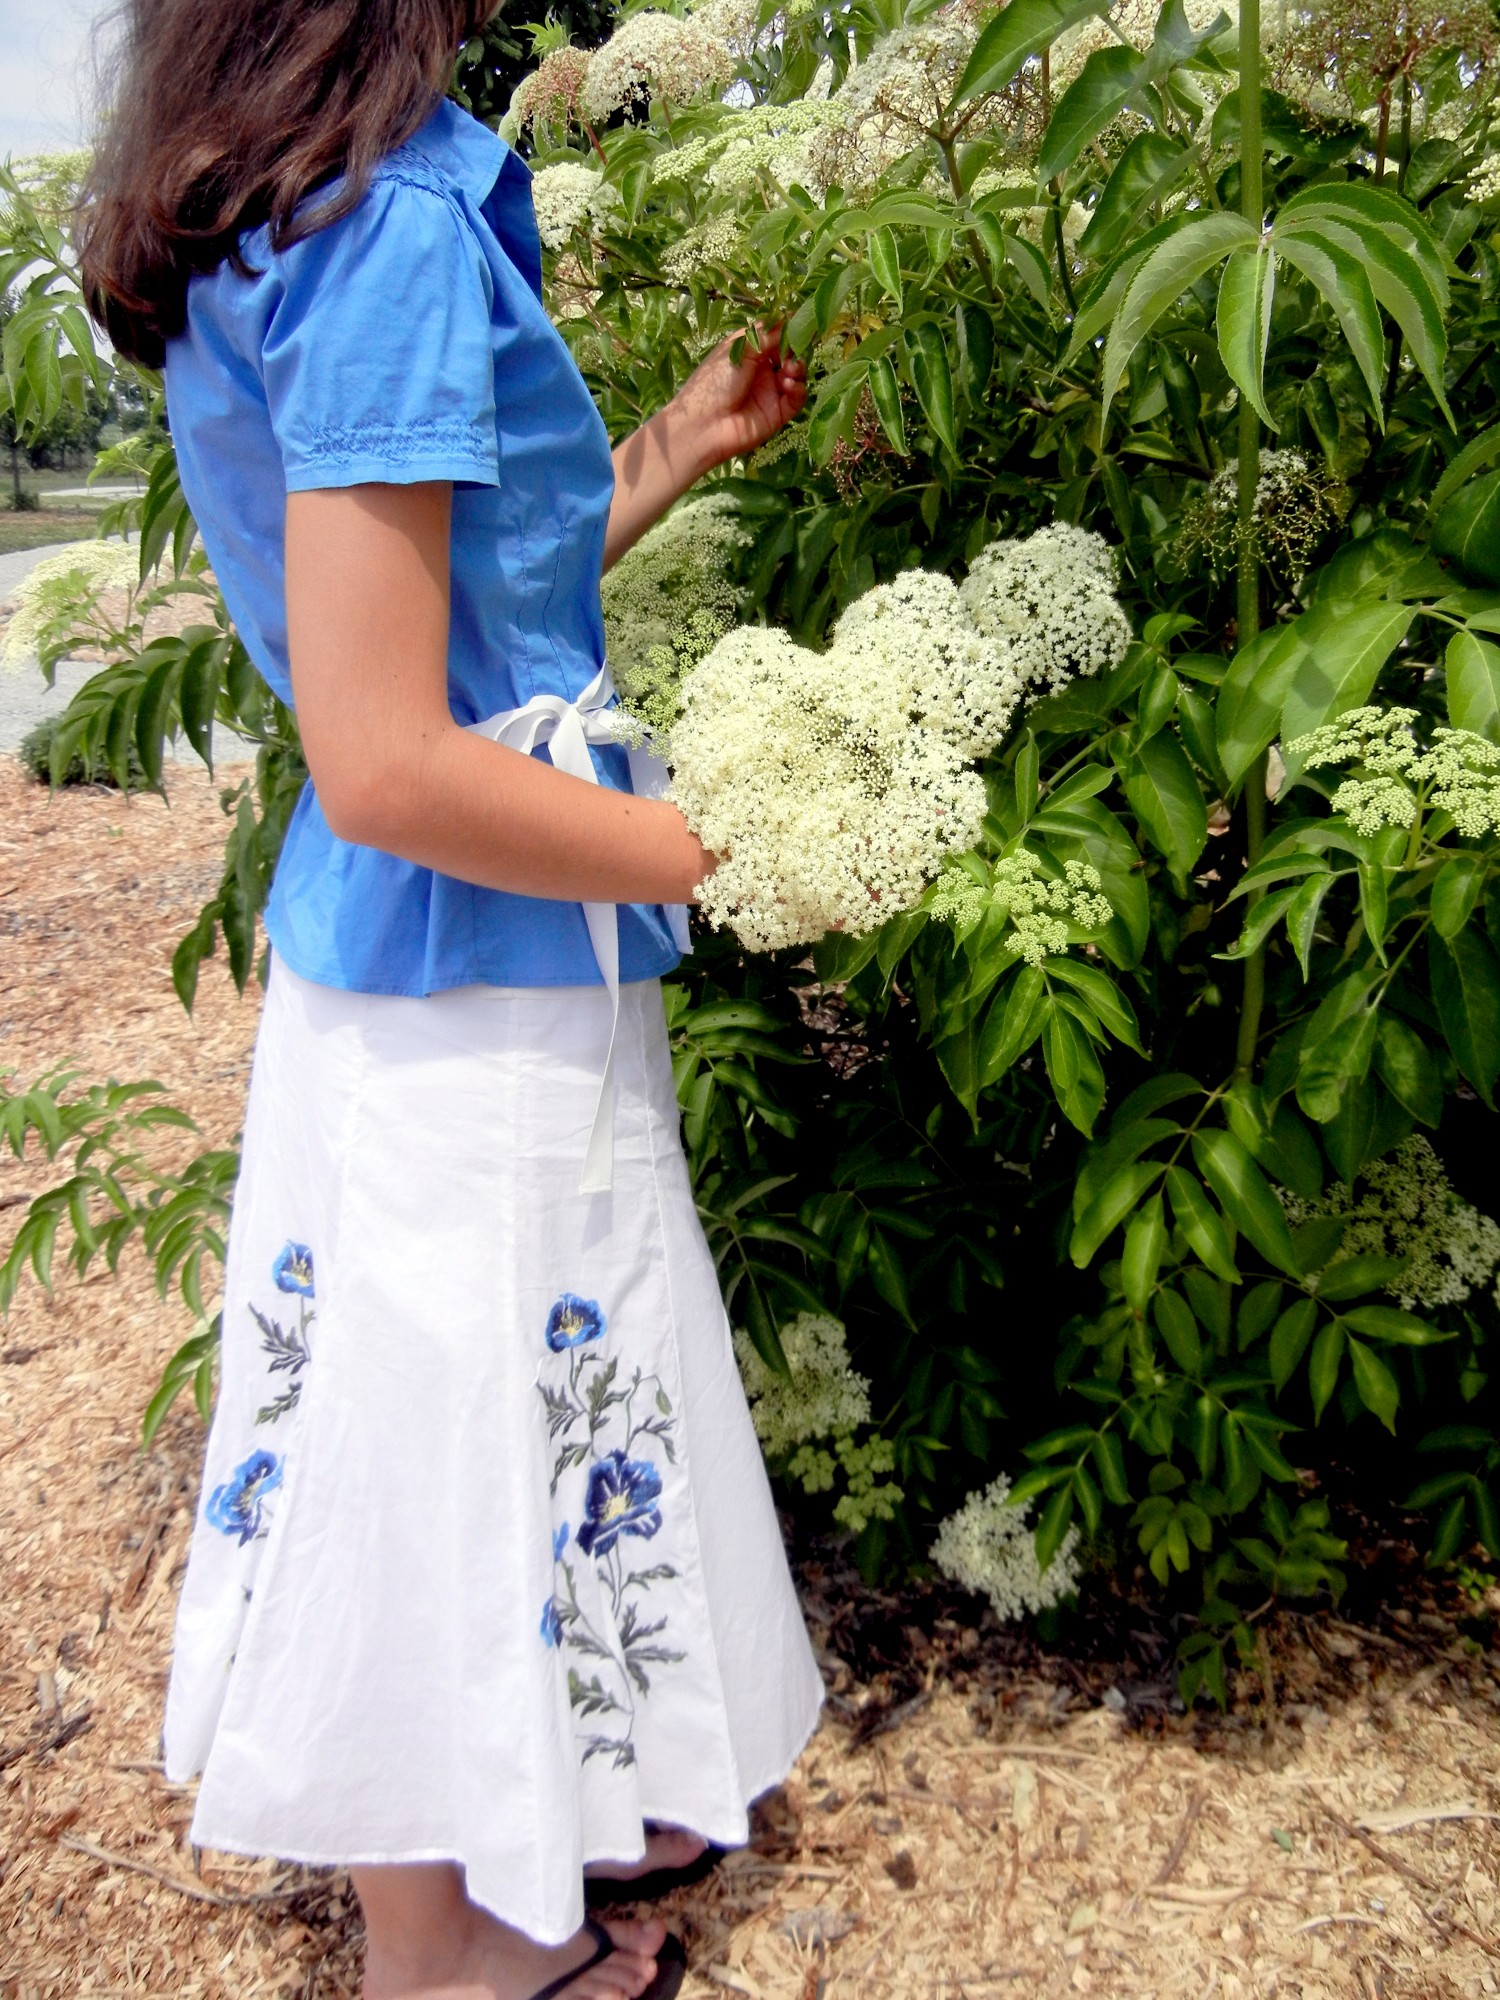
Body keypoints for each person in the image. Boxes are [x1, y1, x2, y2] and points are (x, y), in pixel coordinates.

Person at [78, 3, 825, 1995]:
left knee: (446, 1413)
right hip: (472, 939)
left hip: (413, 955)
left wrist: (664, 443)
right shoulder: (394, 229)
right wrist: (712, 842)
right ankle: (462, 1961)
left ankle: (529, 1851)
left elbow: (445, 599)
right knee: (447, 1438)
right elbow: (393, 752)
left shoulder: (286, 213)